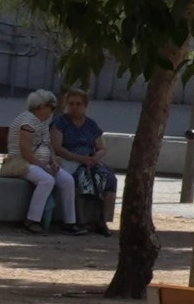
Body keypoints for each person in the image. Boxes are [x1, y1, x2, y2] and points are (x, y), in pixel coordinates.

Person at [8, 88, 75, 232]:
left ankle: (70, 221)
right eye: (50, 108)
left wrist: (54, 161)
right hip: (21, 163)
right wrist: (44, 168)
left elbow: (47, 143)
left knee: (67, 180)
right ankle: (32, 220)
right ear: (41, 107)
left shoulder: (43, 121)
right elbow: (25, 151)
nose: (51, 111)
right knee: (46, 180)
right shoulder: (27, 121)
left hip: (41, 163)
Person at [50, 85, 114, 232]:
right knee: (80, 178)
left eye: (78, 104)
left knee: (109, 178)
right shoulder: (61, 123)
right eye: (71, 103)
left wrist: (95, 158)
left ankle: (102, 221)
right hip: (71, 161)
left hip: (90, 161)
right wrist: (80, 158)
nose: (74, 107)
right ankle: (81, 220)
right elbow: (57, 147)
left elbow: (101, 148)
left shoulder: (91, 124)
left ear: (85, 106)